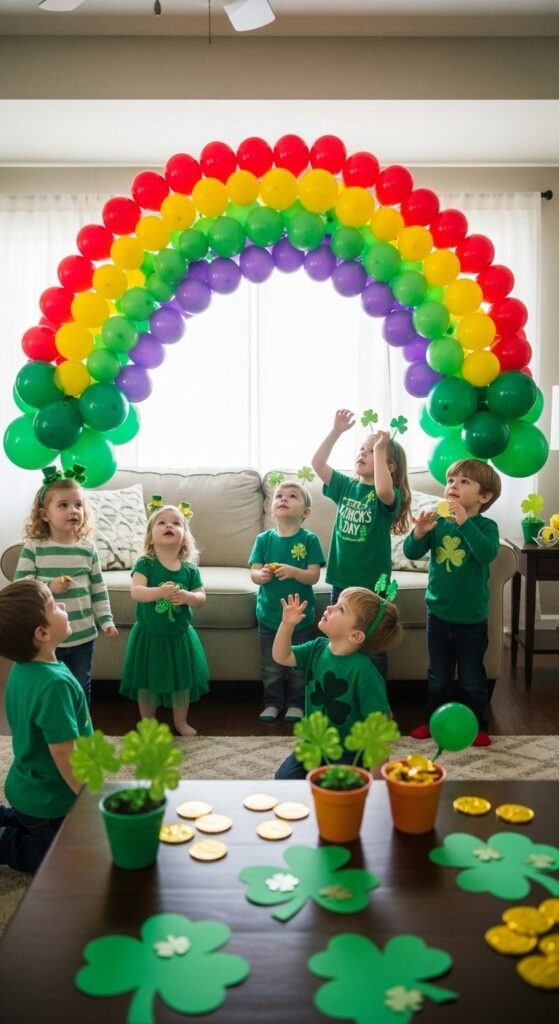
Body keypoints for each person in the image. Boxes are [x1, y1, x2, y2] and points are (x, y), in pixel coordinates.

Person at [403, 458, 502, 748]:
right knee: (438, 675)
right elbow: (411, 551)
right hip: (438, 614)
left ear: (484, 497)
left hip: (471, 618)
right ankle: (434, 720)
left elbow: (485, 554)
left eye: (464, 482)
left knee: (472, 677)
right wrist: (420, 531)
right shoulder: (437, 523)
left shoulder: (486, 526)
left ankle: (476, 725)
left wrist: (464, 522)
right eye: (450, 481)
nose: (453, 486)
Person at [0, 578, 93, 873]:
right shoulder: (54, 685)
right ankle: (6, 841)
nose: (63, 606)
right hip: (53, 801)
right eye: (54, 605)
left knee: (31, 820)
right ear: (42, 633)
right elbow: (64, 754)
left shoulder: (23, 667)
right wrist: (88, 797)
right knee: (72, 859)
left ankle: (12, 817)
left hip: (28, 787)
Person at [311, 408, 410, 681]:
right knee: (341, 641)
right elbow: (317, 464)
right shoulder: (346, 486)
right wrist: (336, 432)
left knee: (372, 646)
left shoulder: (390, 495)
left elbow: (382, 490)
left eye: (370, 452)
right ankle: (345, 695)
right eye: (362, 449)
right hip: (342, 581)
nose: (362, 454)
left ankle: (375, 705)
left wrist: (380, 449)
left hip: (372, 586)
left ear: (389, 467)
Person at [273, 586, 402, 779]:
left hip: (349, 754)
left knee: (341, 790)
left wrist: (377, 785)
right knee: (284, 780)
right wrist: (287, 624)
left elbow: (379, 729)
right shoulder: (317, 647)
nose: (330, 607)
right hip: (314, 745)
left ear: (356, 635)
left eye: (341, 609)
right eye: (335, 603)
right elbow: (282, 657)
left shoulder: (365, 672)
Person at [15, 466, 118, 705]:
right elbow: (22, 585)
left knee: (80, 684)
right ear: (44, 515)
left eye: (78, 505)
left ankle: (80, 731)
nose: (73, 510)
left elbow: (98, 587)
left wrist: (106, 619)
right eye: (63, 505)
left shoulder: (87, 548)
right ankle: (52, 729)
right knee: (47, 686)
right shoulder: (35, 547)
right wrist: (49, 586)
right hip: (47, 636)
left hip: (82, 635)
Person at [119, 500, 209, 736]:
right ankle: (148, 723)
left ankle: (181, 722)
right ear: (150, 537)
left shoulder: (189, 569)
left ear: (185, 538)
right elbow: (136, 592)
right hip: (149, 635)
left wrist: (187, 596)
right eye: (162, 523)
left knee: (182, 682)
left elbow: (201, 598)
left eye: (176, 523)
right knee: (147, 682)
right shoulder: (145, 564)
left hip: (178, 636)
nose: (169, 526)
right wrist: (159, 592)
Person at [249, 479, 325, 724]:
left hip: (301, 619)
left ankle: (296, 703)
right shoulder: (264, 540)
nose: (283, 499)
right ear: (272, 509)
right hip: (270, 617)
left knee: (298, 666)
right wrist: (261, 576)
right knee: (271, 667)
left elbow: (313, 575)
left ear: (306, 512)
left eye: (292, 496)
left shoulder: (309, 540)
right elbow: (253, 572)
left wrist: (293, 571)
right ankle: (272, 702)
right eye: (279, 496)